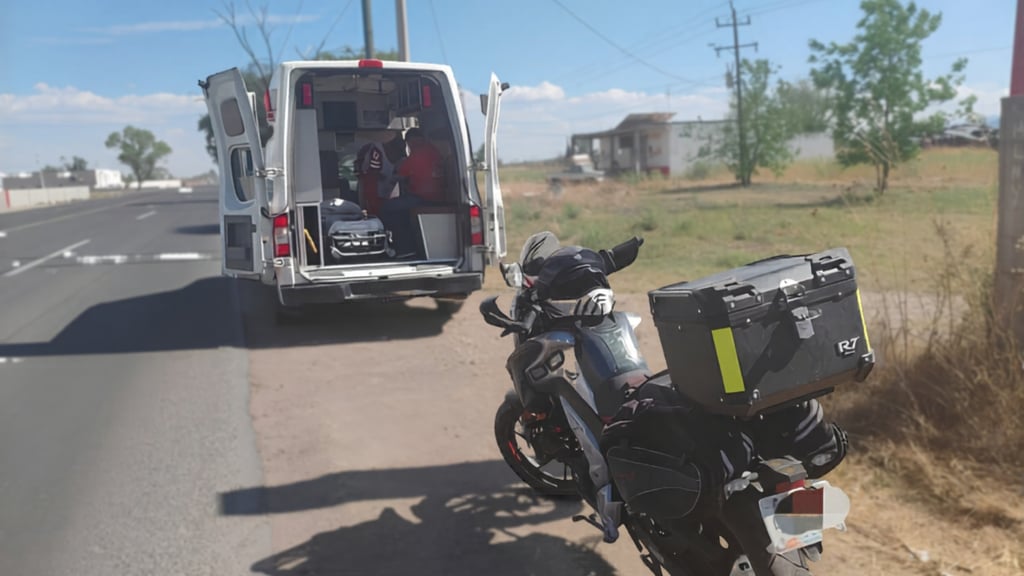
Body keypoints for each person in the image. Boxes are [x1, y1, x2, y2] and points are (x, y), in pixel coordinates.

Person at [379, 127, 447, 256]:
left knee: (387, 208)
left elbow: (397, 176)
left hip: (423, 199)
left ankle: (405, 247)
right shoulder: (433, 151)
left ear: (411, 141)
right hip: (439, 197)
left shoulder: (416, 155)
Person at [355, 131, 406, 215]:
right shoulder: (375, 151)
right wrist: (382, 176)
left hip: (389, 195)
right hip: (372, 194)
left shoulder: (400, 155)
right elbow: (368, 175)